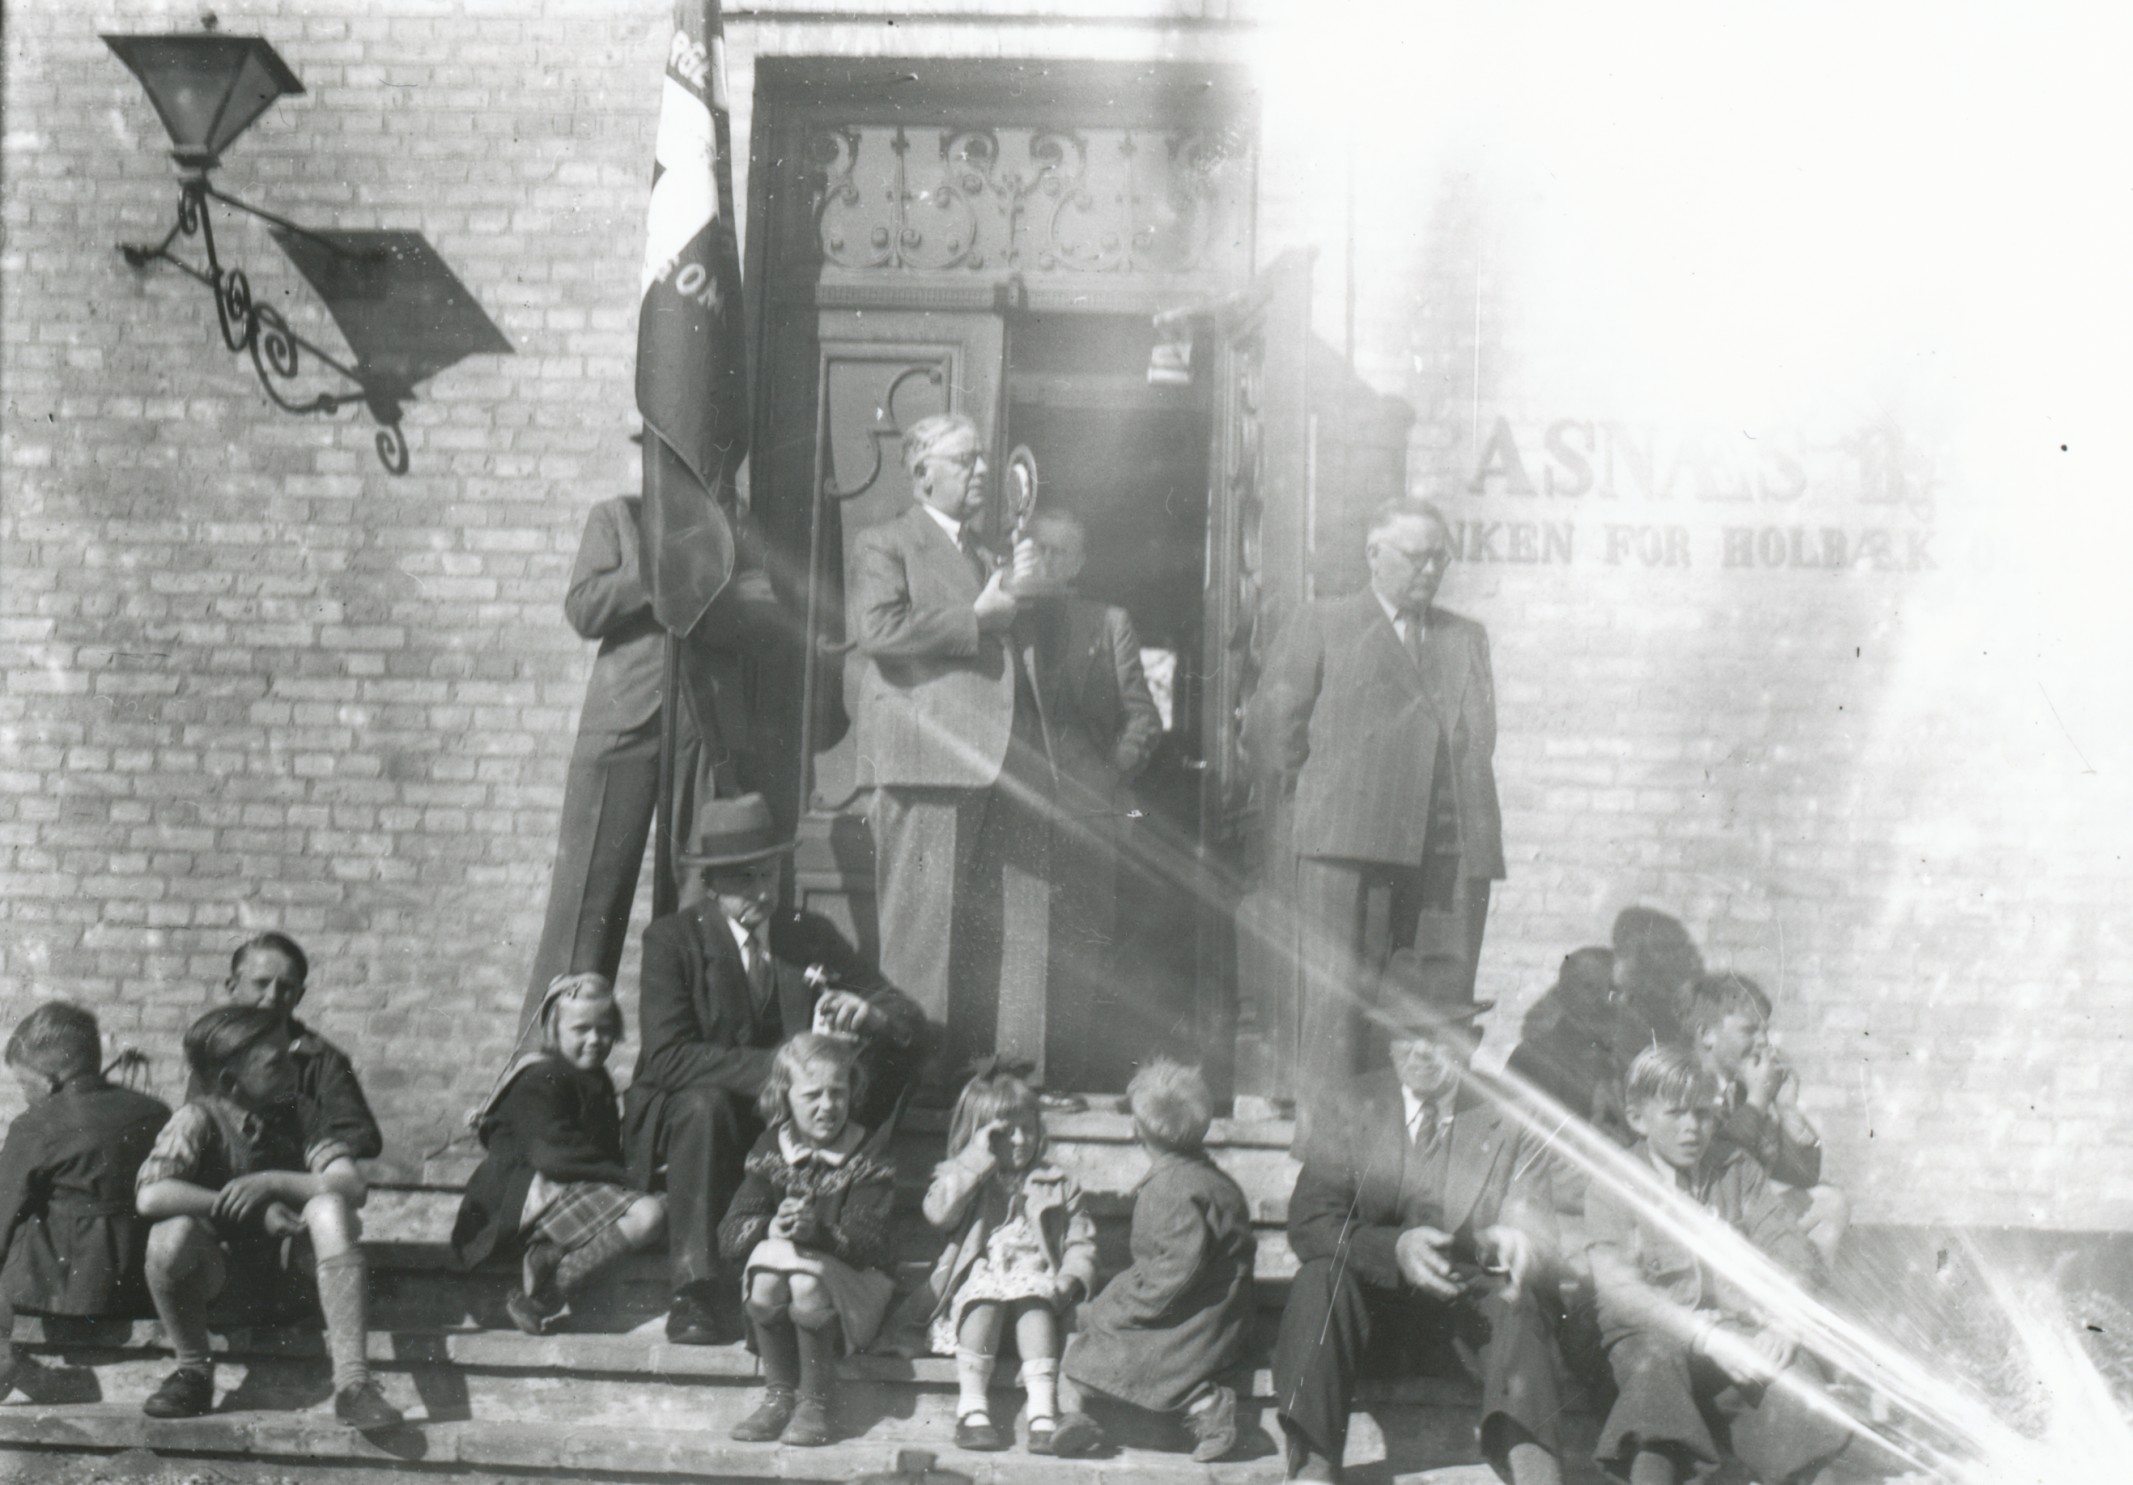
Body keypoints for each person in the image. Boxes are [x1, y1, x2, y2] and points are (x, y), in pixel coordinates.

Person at [622, 793, 924, 1346]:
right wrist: (786, 1069)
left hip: (784, 1117)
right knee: (704, 1105)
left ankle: (823, 1263)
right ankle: (693, 1291)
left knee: (858, 1076)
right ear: (712, 884)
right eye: (745, 879)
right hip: (697, 1116)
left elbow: (904, 1014)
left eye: (770, 874)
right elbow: (668, 1058)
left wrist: (871, 1014)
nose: (763, 892)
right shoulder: (672, 940)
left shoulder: (807, 933)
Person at [1248, 499, 1503, 1123]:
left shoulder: (1464, 637)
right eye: (1416, 556)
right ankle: (1330, 1142)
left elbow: (1480, 740)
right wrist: (1327, 805)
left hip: (1447, 854)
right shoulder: (1323, 622)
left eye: (1439, 557)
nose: (1430, 570)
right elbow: (1272, 734)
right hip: (1345, 846)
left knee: (1436, 1005)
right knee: (1338, 1001)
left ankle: (1424, 1134)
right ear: (1374, 555)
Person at [1270, 949, 1567, 1485]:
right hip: (1372, 1321)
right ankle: (1312, 1469)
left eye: (1440, 1036)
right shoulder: (1350, 1105)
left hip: (1474, 1330)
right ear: (1387, 1040)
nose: (1422, 1051)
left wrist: (1521, 1240)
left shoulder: (1509, 1115)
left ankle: (1534, 1473)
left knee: (1520, 1300)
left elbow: (1538, 1226)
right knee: (1318, 1280)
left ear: (1471, 1041)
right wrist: (1395, 1249)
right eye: (1406, 1035)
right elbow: (1311, 1223)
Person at [516, 494, 781, 1033]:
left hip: (708, 725)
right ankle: (548, 1060)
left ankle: (690, 1048)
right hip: (623, 717)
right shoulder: (617, 516)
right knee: (588, 894)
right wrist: (653, 568)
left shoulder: (736, 523)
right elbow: (585, 609)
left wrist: (703, 588)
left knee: (703, 895)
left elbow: (765, 615)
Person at [850, 412, 1052, 1080]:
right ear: (921, 473)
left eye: (983, 459)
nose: (982, 471)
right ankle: (914, 1090)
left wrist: (1022, 590)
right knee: (922, 938)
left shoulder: (986, 553)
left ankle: (987, 1078)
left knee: (988, 936)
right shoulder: (886, 542)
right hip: (926, 766)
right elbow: (879, 633)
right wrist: (976, 618)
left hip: (994, 765)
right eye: (966, 461)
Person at [1586, 1045, 1852, 1485]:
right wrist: (1705, 1337)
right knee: (1656, 1385)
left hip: (1736, 1334)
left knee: (1795, 1389)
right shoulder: (1615, 1181)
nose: (1692, 1127)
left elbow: (1789, 1248)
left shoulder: (1735, 1169)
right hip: (1651, 1337)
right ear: (1637, 1118)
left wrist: (1784, 1322)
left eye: (1703, 1114)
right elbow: (1621, 1291)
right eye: (1676, 1114)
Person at [135, 1006, 401, 1430]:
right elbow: (151, 1196)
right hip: (222, 1282)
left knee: (329, 1206)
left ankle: (353, 1384)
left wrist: (271, 1181)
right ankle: (193, 1371)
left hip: (298, 1277)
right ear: (230, 1082)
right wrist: (254, 1211)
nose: (294, 1071)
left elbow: (352, 1186)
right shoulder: (196, 1119)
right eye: (277, 1064)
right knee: (170, 1234)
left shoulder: (301, 1113)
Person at [1019, 510, 1163, 1092]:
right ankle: (1020, 1076)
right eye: (1039, 548)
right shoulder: (1005, 614)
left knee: (1080, 949)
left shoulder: (1107, 621)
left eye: (1062, 551)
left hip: (1089, 816)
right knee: (1020, 942)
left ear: (1079, 562)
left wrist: (1108, 776)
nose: (1049, 560)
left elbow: (1143, 718)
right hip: (1014, 808)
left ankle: (1067, 1078)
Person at [1051, 1058, 1256, 1463]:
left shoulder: (1170, 1189)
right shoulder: (1213, 1179)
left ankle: (1076, 1415)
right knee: (1156, 1360)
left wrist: (1120, 1305)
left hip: (1190, 1318)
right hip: (1221, 1315)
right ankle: (1203, 1407)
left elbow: (1176, 1273)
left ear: (1137, 1131)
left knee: (1085, 1345)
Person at [454, 974, 667, 1334]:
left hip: (561, 1188)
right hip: (519, 1200)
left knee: (664, 1203)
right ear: (553, 1030)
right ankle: (546, 1286)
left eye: (605, 1029)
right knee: (647, 1214)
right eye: (581, 1029)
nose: (595, 1039)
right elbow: (554, 1155)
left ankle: (551, 1260)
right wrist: (629, 1178)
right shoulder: (540, 1077)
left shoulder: (594, 1078)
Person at [717, 1034, 899, 1448]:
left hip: (858, 1291)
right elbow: (729, 1235)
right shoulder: (771, 1148)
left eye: (838, 1092)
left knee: (804, 1277)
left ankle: (815, 1401)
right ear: (785, 1096)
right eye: (813, 1095)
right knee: (768, 1268)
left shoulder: (870, 1150)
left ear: (853, 1092)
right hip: (800, 1281)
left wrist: (816, 1232)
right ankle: (780, 1396)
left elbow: (871, 1242)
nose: (828, 1106)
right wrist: (772, 1227)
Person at [917, 1059, 1096, 1454]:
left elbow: (1080, 1242)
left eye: (1028, 1128)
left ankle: (1042, 1413)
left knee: (1034, 1295)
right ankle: (972, 1409)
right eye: (1005, 1132)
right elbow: (939, 1213)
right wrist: (975, 1161)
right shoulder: (963, 1177)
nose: (1019, 1140)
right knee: (984, 1295)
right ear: (981, 1136)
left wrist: (1069, 1278)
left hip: (1037, 1296)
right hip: (980, 1291)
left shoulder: (1058, 1183)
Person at [0, 1002, 169, 1403]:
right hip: (139, 1287)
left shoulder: (37, 1124)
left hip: (62, 1291)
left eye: (24, 1084)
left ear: (50, 1079)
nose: (24, 1095)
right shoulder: (155, 1112)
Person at [1686, 973, 1849, 1267]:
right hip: (1699, 1214)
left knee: (1830, 1203)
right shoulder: (1686, 1084)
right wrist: (1758, 1100)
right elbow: (1716, 1163)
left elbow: (1802, 1177)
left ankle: (1808, 1291)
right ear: (1707, 1034)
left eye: (1764, 1030)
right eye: (1749, 1030)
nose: (1762, 1041)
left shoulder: (1741, 1087)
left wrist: (1787, 1109)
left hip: (1742, 1209)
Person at [1506, 909, 1705, 1147]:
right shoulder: (1533, 1058)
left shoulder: (1635, 1057)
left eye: (1613, 990)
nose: (1606, 1001)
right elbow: (1516, 1140)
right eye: (1589, 988)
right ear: (1565, 994)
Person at [203, 932, 384, 1173]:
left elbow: (361, 1135)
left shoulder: (320, 1058)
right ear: (232, 987)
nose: (272, 996)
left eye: (286, 987)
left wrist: (299, 1148)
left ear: (299, 996)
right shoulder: (212, 1048)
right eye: (261, 983)